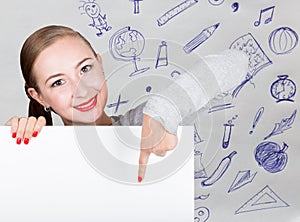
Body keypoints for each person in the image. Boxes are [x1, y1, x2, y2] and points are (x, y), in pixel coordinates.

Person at [5, 25, 249, 182]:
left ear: (100, 65)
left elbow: (237, 62)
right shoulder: (41, 157)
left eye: (85, 69)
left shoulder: (144, 124)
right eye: (58, 82)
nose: (82, 88)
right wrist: (15, 151)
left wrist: (163, 112)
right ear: (38, 97)